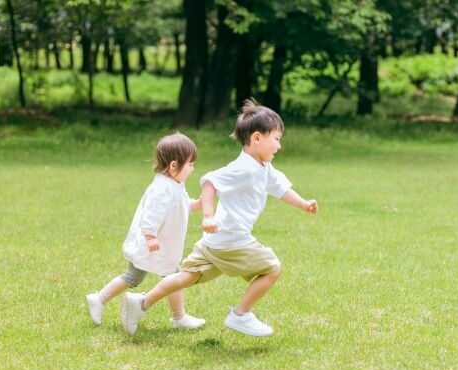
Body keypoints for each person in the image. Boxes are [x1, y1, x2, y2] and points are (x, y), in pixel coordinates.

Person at [121, 99, 318, 336]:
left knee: (187, 277)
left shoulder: (263, 168)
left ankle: (140, 303)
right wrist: (207, 216)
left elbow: (280, 188)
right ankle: (240, 315)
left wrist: (303, 204)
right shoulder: (243, 168)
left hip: (214, 242)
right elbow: (210, 182)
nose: (279, 145)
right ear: (257, 138)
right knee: (272, 268)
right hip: (230, 239)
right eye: (276, 138)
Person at [86, 133, 206, 330]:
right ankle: (99, 299)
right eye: (190, 164)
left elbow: (183, 205)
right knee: (134, 277)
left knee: (174, 277)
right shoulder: (162, 188)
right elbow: (149, 215)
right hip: (150, 245)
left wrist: (197, 204)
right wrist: (150, 237)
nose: (193, 169)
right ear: (174, 166)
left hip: (164, 246)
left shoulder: (176, 184)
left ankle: (179, 317)